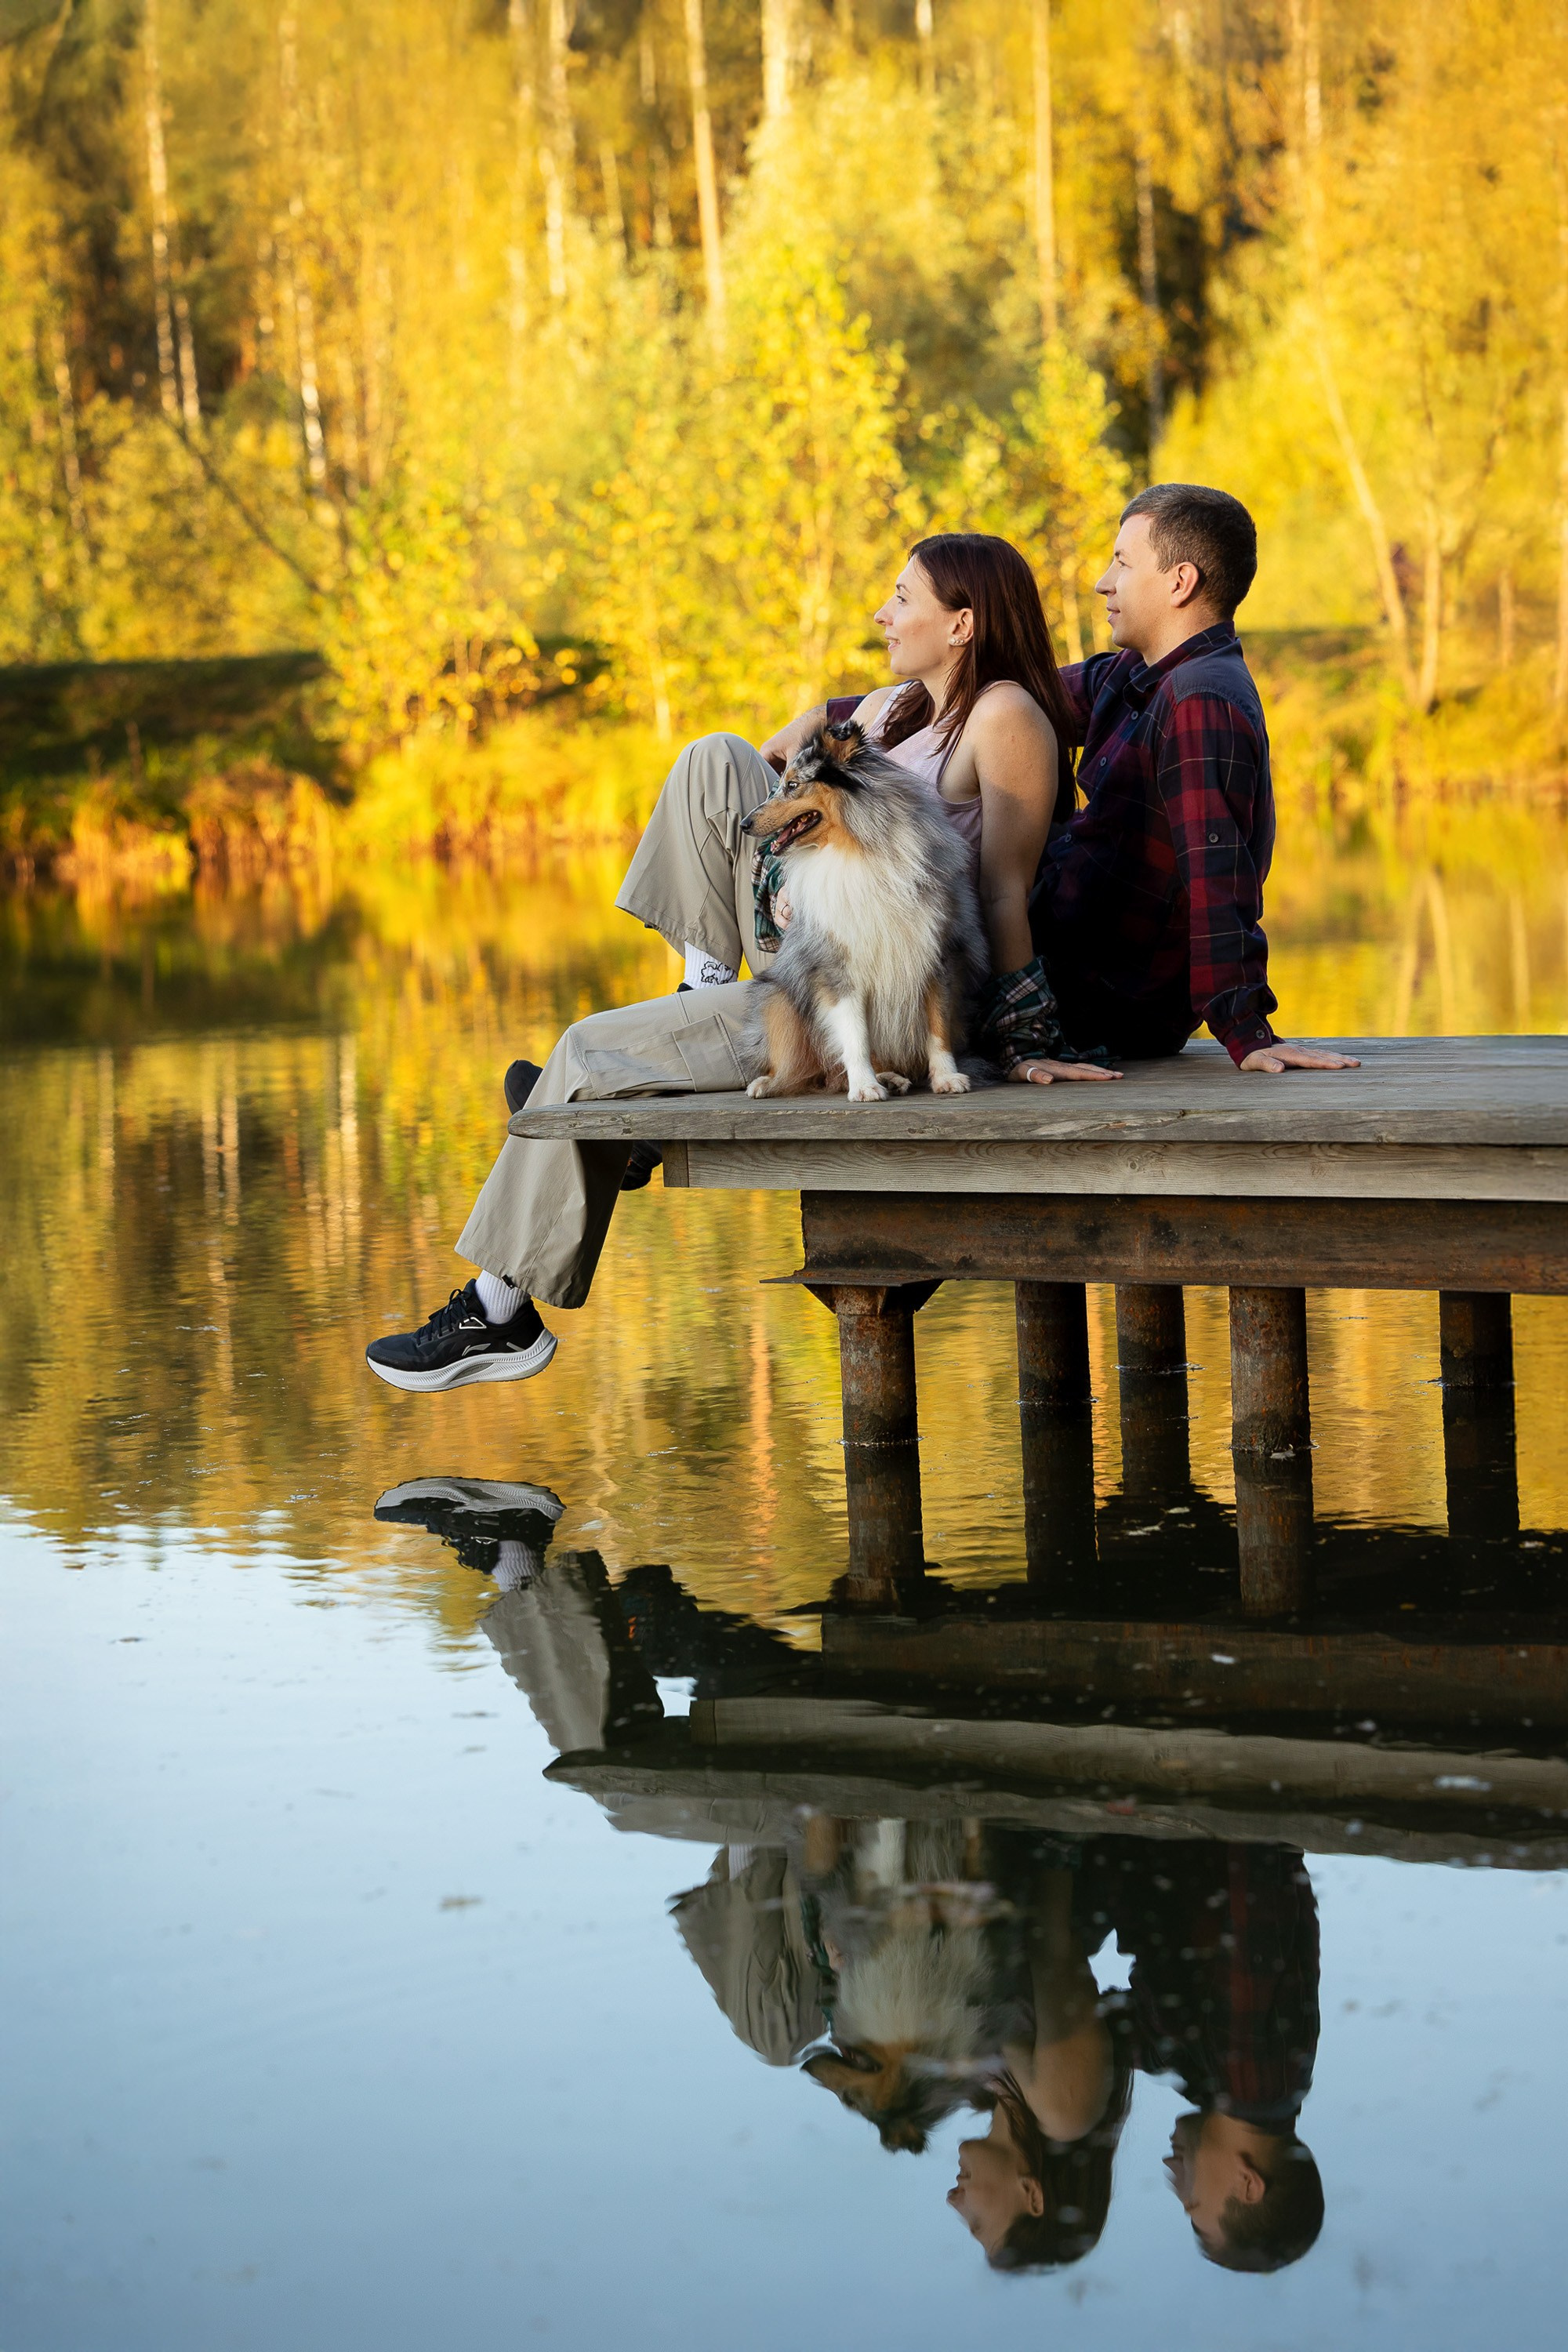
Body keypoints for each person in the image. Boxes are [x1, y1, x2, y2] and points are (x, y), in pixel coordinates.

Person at [365, 532, 1112, 1395]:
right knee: (715, 758)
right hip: (807, 945)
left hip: (877, 998)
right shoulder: (889, 707)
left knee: (583, 1057)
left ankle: (499, 1314)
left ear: (962, 624)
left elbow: (1004, 892)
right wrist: (793, 871)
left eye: (903, 598)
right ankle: (703, 989)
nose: (882, 613)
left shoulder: (1005, 718)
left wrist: (1025, 1041)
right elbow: (783, 771)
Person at [1028, 482, 1361, 1080]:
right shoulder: (1139, 675)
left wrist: (1243, 1026)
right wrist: (857, 720)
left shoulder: (1199, 698)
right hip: (1061, 966)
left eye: (1123, 563)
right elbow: (1006, 703)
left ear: (1180, 582)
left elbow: (1216, 873)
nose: (1103, 582)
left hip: (1095, 1005)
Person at [1077, 1835, 1325, 2273]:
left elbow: (1118, 2033)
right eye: (1192, 2201)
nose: (1174, 2174)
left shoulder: (1216, 2083)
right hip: (1189, 1825)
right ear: (1247, 2184)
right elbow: (1255, 1898)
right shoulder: (1259, 2076)